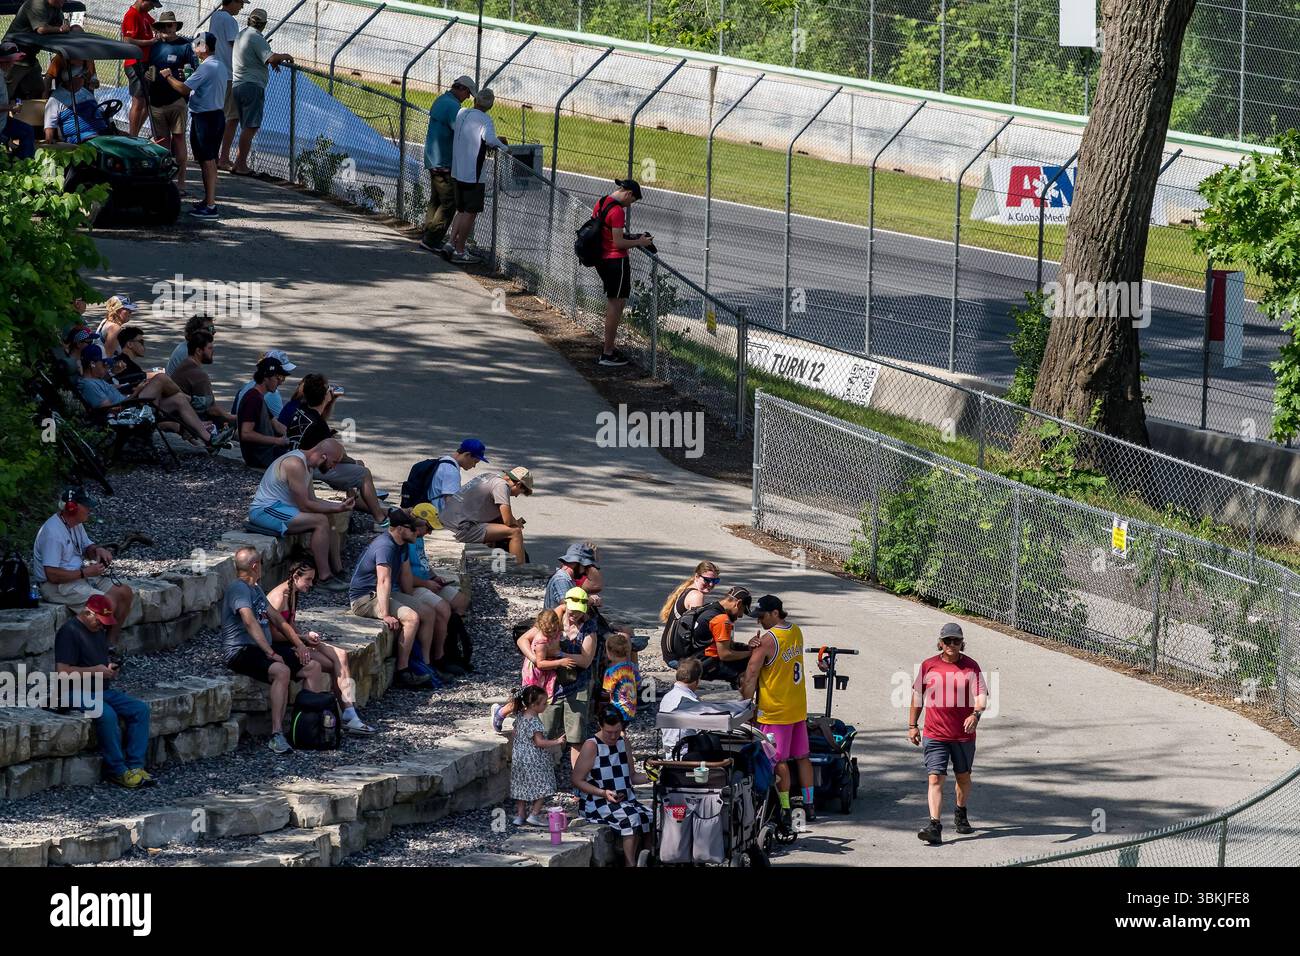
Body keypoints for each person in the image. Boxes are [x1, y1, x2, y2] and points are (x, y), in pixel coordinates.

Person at [220, 546, 324, 754]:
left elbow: (277, 619)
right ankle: (277, 734)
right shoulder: (238, 589)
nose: (263, 568)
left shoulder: (256, 589)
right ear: (255, 566)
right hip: (241, 650)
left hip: (260, 649)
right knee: (281, 670)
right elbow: (249, 622)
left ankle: (305, 726)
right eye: (261, 564)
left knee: (312, 666)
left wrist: (300, 644)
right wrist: (270, 652)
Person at [265, 556, 377, 735]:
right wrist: (302, 639)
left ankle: (350, 713)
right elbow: (273, 635)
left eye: (313, 579)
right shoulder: (279, 597)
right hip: (281, 646)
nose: (311, 584)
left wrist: (305, 637)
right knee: (332, 665)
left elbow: (289, 626)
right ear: (295, 576)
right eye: (308, 579)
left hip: (294, 641)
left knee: (341, 655)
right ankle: (319, 718)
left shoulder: (293, 592)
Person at [55, 596, 156, 789]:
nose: (102, 626)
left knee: (140, 709)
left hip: (100, 689)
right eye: (99, 621)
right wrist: (96, 670)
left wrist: (109, 669)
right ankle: (117, 770)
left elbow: (98, 663)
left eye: (105, 623)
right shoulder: (69, 632)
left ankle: (135, 766)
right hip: (71, 691)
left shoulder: (98, 630)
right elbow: (63, 671)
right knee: (105, 713)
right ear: (87, 612)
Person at [909, 622, 988, 845]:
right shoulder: (928, 666)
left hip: (963, 735)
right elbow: (917, 697)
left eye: (956, 641)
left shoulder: (971, 667)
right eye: (947, 641)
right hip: (934, 734)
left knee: (963, 777)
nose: (952, 645)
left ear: (962, 642)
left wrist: (975, 714)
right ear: (940, 643)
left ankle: (960, 813)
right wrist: (912, 725)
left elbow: (981, 697)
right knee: (935, 777)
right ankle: (934, 825)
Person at [739, 594, 812, 828]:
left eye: (761, 616)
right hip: (797, 705)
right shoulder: (796, 631)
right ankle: (809, 804)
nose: (759, 621)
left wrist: (744, 702)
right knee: (802, 757)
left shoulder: (768, 640)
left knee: (777, 759)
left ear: (775, 613)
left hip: (775, 710)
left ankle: (784, 806)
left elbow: (751, 673)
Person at [284, 372, 388, 530]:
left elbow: (320, 416)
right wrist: (355, 462)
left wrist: (330, 401)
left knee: (353, 471)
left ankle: (360, 503)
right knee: (363, 472)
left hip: (293, 460)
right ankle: (380, 519)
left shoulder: (302, 410)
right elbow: (336, 456)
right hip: (308, 468)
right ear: (324, 395)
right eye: (327, 390)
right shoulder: (318, 426)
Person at [348, 509, 438, 690]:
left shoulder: (402, 544)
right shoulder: (385, 546)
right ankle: (403, 672)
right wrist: (386, 614)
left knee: (428, 612)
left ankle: (426, 665)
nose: (417, 532)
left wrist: (410, 598)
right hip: (365, 598)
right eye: (413, 529)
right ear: (400, 529)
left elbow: (405, 576)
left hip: (382, 593)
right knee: (412, 618)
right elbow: (383, 580)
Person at [78, 343, 232, 449]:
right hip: (128, 413)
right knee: (160, 378)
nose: (106, 367)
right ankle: (195, 401)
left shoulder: (97, 381)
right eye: (104, 364)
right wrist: (137, 393)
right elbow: (110, 410)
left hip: (134, 406)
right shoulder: (89, 385)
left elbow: (115, 391)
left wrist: (136, 387)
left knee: (177, 398)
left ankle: (209, 439)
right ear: (92, 364)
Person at [246, 438, 354, 589]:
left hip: (283, 508)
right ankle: (324, 577)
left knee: (329, 516)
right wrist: (335, 508)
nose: (333, 467)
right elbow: (305, 505)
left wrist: (340, 506)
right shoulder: (295, 464)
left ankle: (338, 570)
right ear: (323, 456)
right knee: (320, 520)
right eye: (334, 462)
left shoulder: (307, 466)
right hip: (265, 510)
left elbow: (313, 500)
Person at [33, 487, 135, 645]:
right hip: (56, 585)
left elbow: (87, 548)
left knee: (125, 592)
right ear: (72, 507)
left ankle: (110, 644)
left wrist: (98, 551)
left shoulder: (76, 524)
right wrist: (85, 573)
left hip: (78, 578)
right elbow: (51, 574)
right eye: (86, 505)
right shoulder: (52, 533)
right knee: (105, 604)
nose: (90, 509)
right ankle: (92, 649)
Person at [522, 586, 597, 768]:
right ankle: (537, 774)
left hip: (578, 685)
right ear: (565, 605)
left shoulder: (589, 628)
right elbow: (524, 639)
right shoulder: (553, 619)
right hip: (550, 686)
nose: (575, 615)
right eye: (572, 611)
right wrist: (536, 659)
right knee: (543, 730)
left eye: (579, 612)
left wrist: (559, 654)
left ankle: (578, 781)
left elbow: (586, 660)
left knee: (576, 737)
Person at [572, 705, 651, 867]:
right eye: (609, 732)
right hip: (596, 802)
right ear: (601, 726)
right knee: (632, 818)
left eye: (617, 731)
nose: (614, 736)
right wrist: (602, 793)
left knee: (652, 816)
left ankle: (649, 858)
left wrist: (653, 776)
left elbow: (633, 777)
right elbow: (577, 780)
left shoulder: (624, 741)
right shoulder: (591, 745)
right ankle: (630, 863)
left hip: (624, 800)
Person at [162, 30, 226, 219]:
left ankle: (211, 205)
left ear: (204, 47)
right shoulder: (218, 65)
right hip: (215, 115)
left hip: (205, 118)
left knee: (206, 160)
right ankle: (208, 200)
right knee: (209, 159)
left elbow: (183, 88)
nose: (195, 48)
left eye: (198, 44)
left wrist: (168, 76)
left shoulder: (207, 67)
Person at [591, 179, 653, 367]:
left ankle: (608, 348)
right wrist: (639, 242)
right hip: (615, 261)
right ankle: (607, 353)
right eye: (632, 201)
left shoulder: (602, 202)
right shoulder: (617, 211)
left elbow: (609, 233)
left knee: (617, 302)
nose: (630, 204)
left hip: (602, 258)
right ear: (627, 193)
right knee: (616, 305)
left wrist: (632, 237)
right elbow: (618, 243)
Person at [446, 87, 508, 265]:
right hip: (473, 173)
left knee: (461, 210)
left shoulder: (462, 113)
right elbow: (488, 139)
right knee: (470, 213)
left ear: (475, 101)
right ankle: (460, 249)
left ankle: (451, 244)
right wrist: (504, 147)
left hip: (457, 169)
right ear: (490, 105)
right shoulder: (485, 119)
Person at [229, 8, 291, 175]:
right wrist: (284, 56)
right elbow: (270, 57)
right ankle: (242, 166)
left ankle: (237, 163)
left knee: (246, 127)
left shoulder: (242, 34)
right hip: (251, 85)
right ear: (263, 24)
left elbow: (260, 57)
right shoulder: (256, 37)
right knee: (251, 127)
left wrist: (271, 60)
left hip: (238, 84)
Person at [419, 74, 475, 255]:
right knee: (450, 202)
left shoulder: (441, 99)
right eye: (468, 94)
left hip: (433, 157)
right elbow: (461, 132)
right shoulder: (453, 107)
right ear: (462, 89)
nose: (468, 98)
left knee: (436, 199)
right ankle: (432, 239)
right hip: (443, 160)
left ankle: (428, 233)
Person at [146, 10, 196, 196]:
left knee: (179, 139)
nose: (168, 28)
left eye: (171, 25)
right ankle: (164, 181)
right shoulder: (155, 46)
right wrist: (147, 75)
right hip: (156, 100)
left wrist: (184, 79)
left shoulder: (185, 46)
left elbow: (192, 72)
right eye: (164, 25)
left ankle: (181, 182)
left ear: (176, 26)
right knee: (161, 143)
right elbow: (148, 68)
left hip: (176, 100)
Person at [492, 607, 567, 731]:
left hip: (547, 671)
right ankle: (500, 712)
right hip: (534, 672)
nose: (551, 634)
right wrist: (560, 662)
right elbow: (539, 663)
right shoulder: (541, 639)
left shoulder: (556, 627)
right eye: (548, 631)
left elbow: (561, 607)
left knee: (541, 698)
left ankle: (532, 723)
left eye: (554, 630)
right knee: (526, 698)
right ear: (540, 627)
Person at [438, 466, 533, 563]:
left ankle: (492, 563)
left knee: (497, 526)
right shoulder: (502, 486)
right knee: (515, 532)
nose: (516, 496)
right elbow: (507, 521)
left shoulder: (488, 476)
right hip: (458, 529)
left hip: (446, 520)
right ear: (518, 484)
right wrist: (516, 523)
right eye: (520, 493)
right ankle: (520, 572)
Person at [508, 685, 565, 826]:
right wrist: (556, 741)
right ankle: (534, 814)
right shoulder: (534, 721)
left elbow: (515, 733)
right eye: (544, 703)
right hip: (534, 759)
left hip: (519, 758)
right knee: (544, 785)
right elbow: (539, 742)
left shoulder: (521, 716)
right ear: (534, 705)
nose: (546, 705)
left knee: (521, 786)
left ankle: (520, 816)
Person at [674, 585, 752, 687]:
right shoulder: (721, 619)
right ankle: (742, 695)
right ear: (738, 603)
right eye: (742, 611)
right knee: (751, 663)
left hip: (692, 659)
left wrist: (746, 648)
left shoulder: (711, 607)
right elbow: (725, 655)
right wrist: (751, 653)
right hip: (705, 665)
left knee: (744, 650)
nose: (740, 616)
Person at [3, 0, 69, 100]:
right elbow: (41, 29)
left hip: (29, 57)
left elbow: (61, 25)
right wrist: (60, 30)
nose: (64, 2)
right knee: (5, 93)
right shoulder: (37, 3)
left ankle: (24, 112)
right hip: (13, 56)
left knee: (38, 89)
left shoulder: (56, 7)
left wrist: (63, 28)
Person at [170, 329, 238, 426]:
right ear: (198, 351)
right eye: (209, 348)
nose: (212, 351)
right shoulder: (198, 375)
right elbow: (211, 409)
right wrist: (233, 417)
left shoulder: (184, 365)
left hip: (179, 417)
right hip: (191, 423)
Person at [659, 560, 720, 663]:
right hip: (677, 655)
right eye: (706, 580)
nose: (710, 584)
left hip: (669, 649)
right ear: (696, 577)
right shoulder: (696, 595)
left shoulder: (688, 588)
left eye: (715, 581)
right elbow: (697, 630)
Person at [236, 355, 291, 467]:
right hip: (261, 458)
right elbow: (246, 434)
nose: (280, 382)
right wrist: (277, 441)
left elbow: (275, 423)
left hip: (266, 454)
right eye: (277, 378)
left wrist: (293, 434)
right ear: (266, 377)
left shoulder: (259, 397)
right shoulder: (253, 399)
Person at [209, 0, 244, 169]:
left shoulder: (215, 16)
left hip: (217, 70)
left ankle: (212, 154)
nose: (241, 7)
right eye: (240, 3)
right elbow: (235, 45)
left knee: (218, 114)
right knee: (232, 117)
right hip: (230, 73)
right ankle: (223, 157)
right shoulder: (230, 21)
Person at [120, 0, 160, 137]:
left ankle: (135, 134)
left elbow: (155, 24)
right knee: (138, 101)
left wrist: (160, 30)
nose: (151, 9)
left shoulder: (144, 14)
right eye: (150, 5)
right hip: (135, 62)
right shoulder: (132, 15)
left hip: (146, 62)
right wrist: (149, 42)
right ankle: (133, 136)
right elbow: (128, 40)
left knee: (148, 101)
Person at [42, 63, 103, 143]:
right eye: (81, 76)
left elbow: (100, 110)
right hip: (81, 139)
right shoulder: (55, 99)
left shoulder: (86, 92)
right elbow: (49, 126)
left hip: (101, 133)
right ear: (71, 79)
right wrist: (49, 143)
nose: (84, 79)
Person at [426, 438, 487, 513]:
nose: (474, 466)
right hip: (439, 515)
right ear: (467, 454)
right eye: (475, 461)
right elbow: (451, 503)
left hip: (429, 508)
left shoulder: (443, 461)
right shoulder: (452, 471)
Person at [657, 657, 702, 756]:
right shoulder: (692, 701)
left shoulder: (667, 697)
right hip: (688, 755)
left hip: (669, 753)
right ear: (697, 681)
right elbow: (702, 729)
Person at [233, 348, 295, 420]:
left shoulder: (248, 385)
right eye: (280, 375)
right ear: (268, 375)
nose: (281, 381)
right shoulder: (271, 395)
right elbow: (246, 430)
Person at [0, 42, 37, 159]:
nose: (13, 64)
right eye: (12, 61)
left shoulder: (3, 75)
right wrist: (10, 108)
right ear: (4, 61)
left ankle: (24, 163)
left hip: (4, 121)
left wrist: (10, 105)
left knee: (27, 130)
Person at [601, 632, 639, 723]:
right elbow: (638, 682)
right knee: (623, 728)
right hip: (631, 708)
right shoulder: (632, 666)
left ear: (609, 653)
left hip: (617, 709)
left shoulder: (611, 671)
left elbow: (608, 690)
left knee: (617, 729)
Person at [108, 325, 150, 390]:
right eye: (141, 342)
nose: (143, 346)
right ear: (130, 344)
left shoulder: (117, 360)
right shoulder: (129, 366)